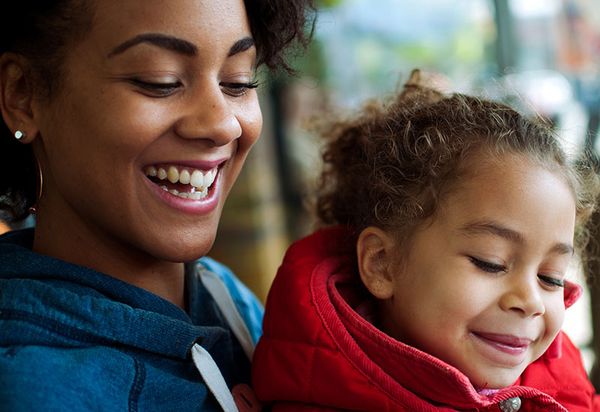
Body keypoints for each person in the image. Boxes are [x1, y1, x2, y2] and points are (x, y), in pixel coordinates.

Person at [0, 1, 313, 411]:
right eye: (159, 81)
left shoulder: (223, 293)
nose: (222, 124)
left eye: (238, 82)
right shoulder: (34, 389)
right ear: (23, 95)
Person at [252, 70, 600, 411]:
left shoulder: (560, 374)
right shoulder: (318, 395)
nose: (531, 301)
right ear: (382, 264)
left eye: (551, 277)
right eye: (489, 262)